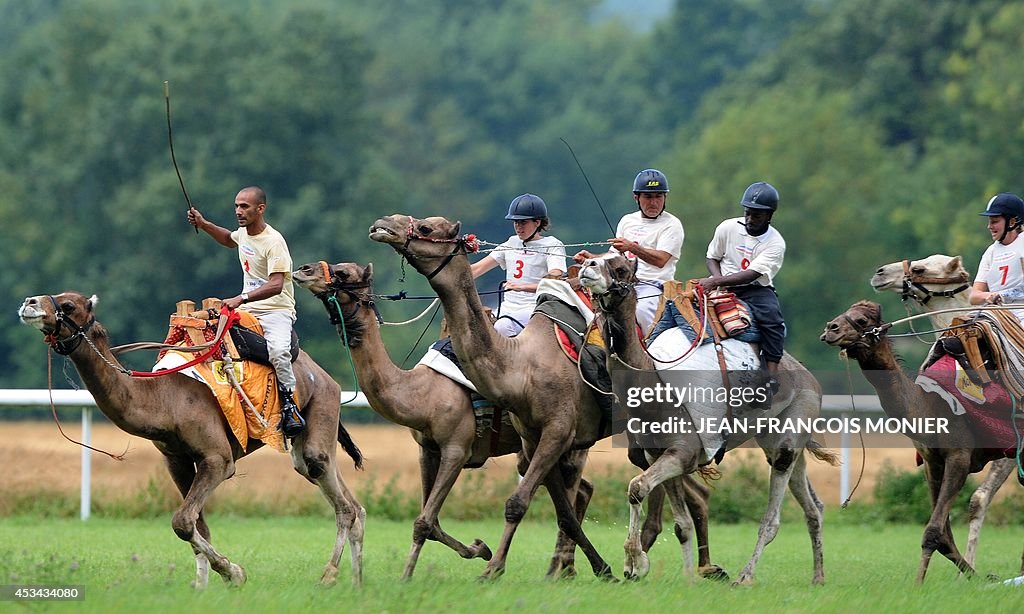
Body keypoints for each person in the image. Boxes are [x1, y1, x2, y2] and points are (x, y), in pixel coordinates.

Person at [187, 186, 304, 438]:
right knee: (214, 337)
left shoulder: (274, 242)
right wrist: (204, 223)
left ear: (260, 209)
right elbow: (230, 240)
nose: (238, 211)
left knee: (279, 351)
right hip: (248, 308)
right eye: (237, 206)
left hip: (276, 311)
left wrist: (241, 298)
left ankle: (289, 406)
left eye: (244, 207)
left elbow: (276, 285)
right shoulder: (244, 233)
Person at [698, 181, 786, 396]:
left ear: (769, 216)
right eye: (748, 213)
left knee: (774, 321)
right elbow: (712, 257)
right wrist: (717, 278)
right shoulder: (727, 227)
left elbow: (752, 274)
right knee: (679, 308)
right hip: (720, 282)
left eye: (757, 215)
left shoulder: (775, 243)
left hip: (755, 289)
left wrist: (716, 283)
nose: (750, 219)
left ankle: (770, 375)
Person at [573, 169, 684, 333]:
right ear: (636, 198)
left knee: (640, 311)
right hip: (622, 283)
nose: (653, 202)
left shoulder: (672, 224)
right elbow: (615, 256)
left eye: (658, 196)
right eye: (648, 197)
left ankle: (650, 347)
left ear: (665, 197)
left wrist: (632, 247)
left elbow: (661, 260)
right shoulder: (627, 221)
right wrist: (592, 258)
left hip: (654, 285)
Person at [471, 193, 566, 336]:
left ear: (537, 222)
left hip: (536, 308)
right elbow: (476, 269)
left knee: (503, 327)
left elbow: (555, 280)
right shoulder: (511, 243)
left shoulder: (552, 245)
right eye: (515, 222)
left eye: (523, 222)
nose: (518, 227)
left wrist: (522, 287)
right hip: (506, 308)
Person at [969, 192, 1024, 322]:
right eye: (989, 222)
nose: (989, 226)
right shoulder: (991, 252)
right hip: (997, 316)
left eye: (995, 221)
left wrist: (1003, 295)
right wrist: (989, 296)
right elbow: (974, 296)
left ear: (1012, 222)